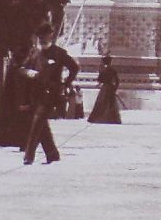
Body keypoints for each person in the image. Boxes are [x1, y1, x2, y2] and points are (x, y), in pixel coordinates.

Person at [22, 26, 77, 164]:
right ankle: (52, 154)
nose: (41, 39)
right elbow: (22, 69)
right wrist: (29, 73)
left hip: (50, 94)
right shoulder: (34, 53)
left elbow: (74, 67)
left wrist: (65, 83)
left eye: (43, 36)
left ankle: (29, 156)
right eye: (39, 36)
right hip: (35, 94)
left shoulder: (58, 53)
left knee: (37, 122)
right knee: (42, 126)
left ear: (50, 36)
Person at [87, 53, 122, 124]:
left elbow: (99, 80)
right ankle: (112, 119)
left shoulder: (103, 70)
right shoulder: (113, 70)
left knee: (101, 103)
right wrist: (115, 88)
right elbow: (117, 80)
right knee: (111, 103)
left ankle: (98, 118)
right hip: (110, 87)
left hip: (104, 88)